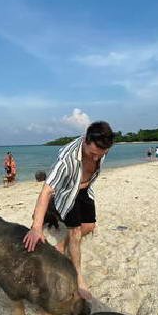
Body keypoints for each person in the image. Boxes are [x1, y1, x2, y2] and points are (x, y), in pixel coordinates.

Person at [23, 121, 114, 300]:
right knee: (75, 233)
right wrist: (36, 227)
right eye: (93, 154)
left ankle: (60, 246)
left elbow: (96, 158)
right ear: (85, 141)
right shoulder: (66, 160)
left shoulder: (102, 147)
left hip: (86, 189)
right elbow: (46, 190)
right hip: (67, 193)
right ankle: (78, 277)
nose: (96, 158)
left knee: (89, 227)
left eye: (101, 155)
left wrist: (96, 157)